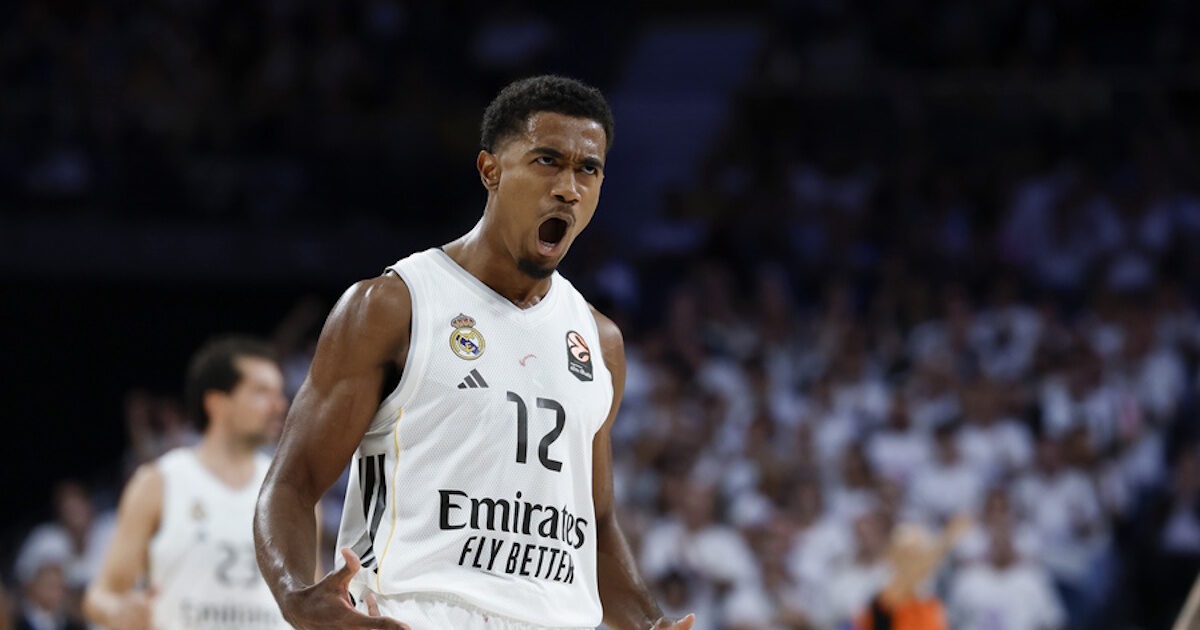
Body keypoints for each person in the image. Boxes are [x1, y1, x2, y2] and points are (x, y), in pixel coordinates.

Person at [253, 75, 696, 630]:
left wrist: (650, 623)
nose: (569, 187)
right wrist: (295, 596)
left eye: (588, 169)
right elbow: (292, 483)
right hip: (415, 615)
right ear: (490, 170)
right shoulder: (394, 305)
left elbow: (596, 525)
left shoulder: (600, 342)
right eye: (547, 161)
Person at [83, 336, 289, 630]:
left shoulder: (291, 493)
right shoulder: (158, 483)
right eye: (261, 392)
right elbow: (101, 595)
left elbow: (308, 602)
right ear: (216, 403)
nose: (279, 405)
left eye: (279, 392)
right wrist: (118, 612)